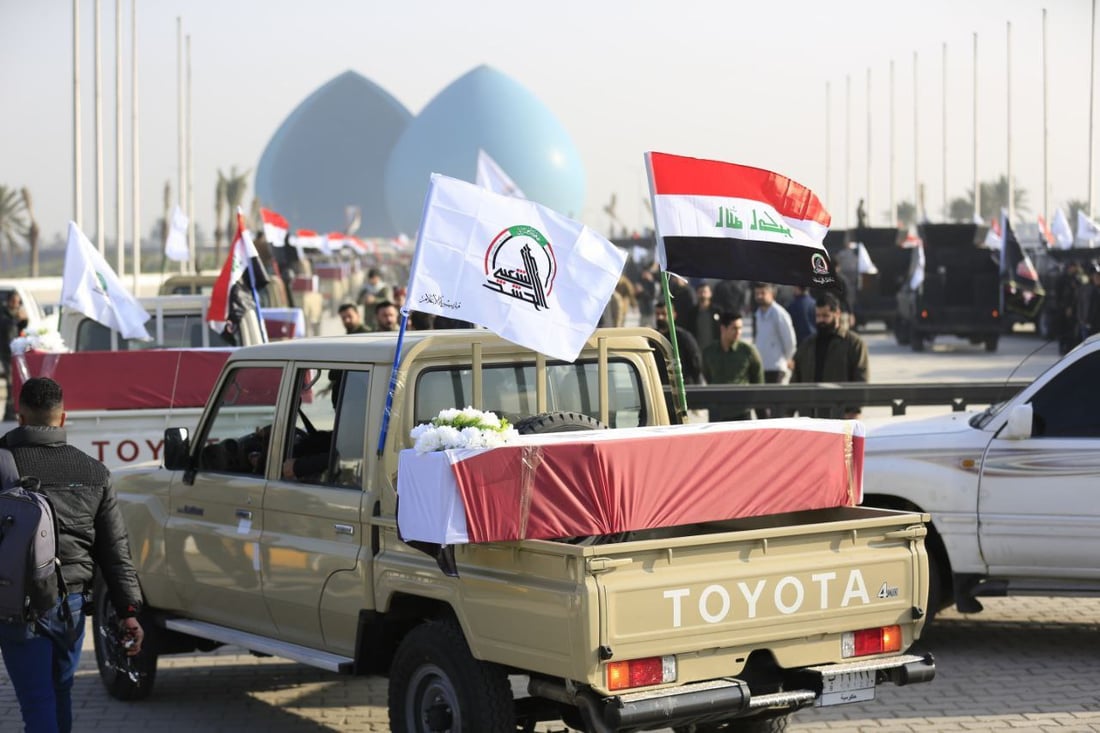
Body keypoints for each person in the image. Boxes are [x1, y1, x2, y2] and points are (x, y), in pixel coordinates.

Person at [0, 377, 144, 732]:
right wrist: (128, 612)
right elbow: (115, 550)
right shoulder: (95, 471)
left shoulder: (4, 463)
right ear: (63, 418)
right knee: (61, 691)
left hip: (18, 604)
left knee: (36, 701)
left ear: (20, 417)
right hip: (72, 606)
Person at [790, 292, 870, 418]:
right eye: (818, 316)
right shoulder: (807, 345)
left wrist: (854, 411)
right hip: (810, 417)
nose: (821, 320)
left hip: (841, 416)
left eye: (825, 316)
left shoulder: (854, 344)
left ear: (837, 314)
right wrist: (788, 412)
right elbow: (795, 380)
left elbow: (861, 380)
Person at [701, 311, 763, 421]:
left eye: (740, 328)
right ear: (723, 329)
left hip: (741, 411)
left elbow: (758, 380)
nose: (738, 332)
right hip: (717, 410)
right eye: (734, 328)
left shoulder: (748, 351)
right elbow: (708, 376)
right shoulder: (709, 352)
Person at [654, 301, 703, 384]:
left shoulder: (683, 337)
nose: (660, 317)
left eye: (664, 314)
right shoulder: (653, 338)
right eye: (657, 314)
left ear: (674, 315)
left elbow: (696, 364)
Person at [1, 291, 29, 421]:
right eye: (14, 301)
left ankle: (11, 411)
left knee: (14, 383)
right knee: (11, 383)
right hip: (6, 352)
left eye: (18, 301)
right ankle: (9, 412)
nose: (16, 304)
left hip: (14, 352)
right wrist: (16, 320)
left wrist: (23, 321)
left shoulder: (15, 314)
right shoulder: (4, 313)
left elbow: (18, 329)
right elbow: (8, 327)